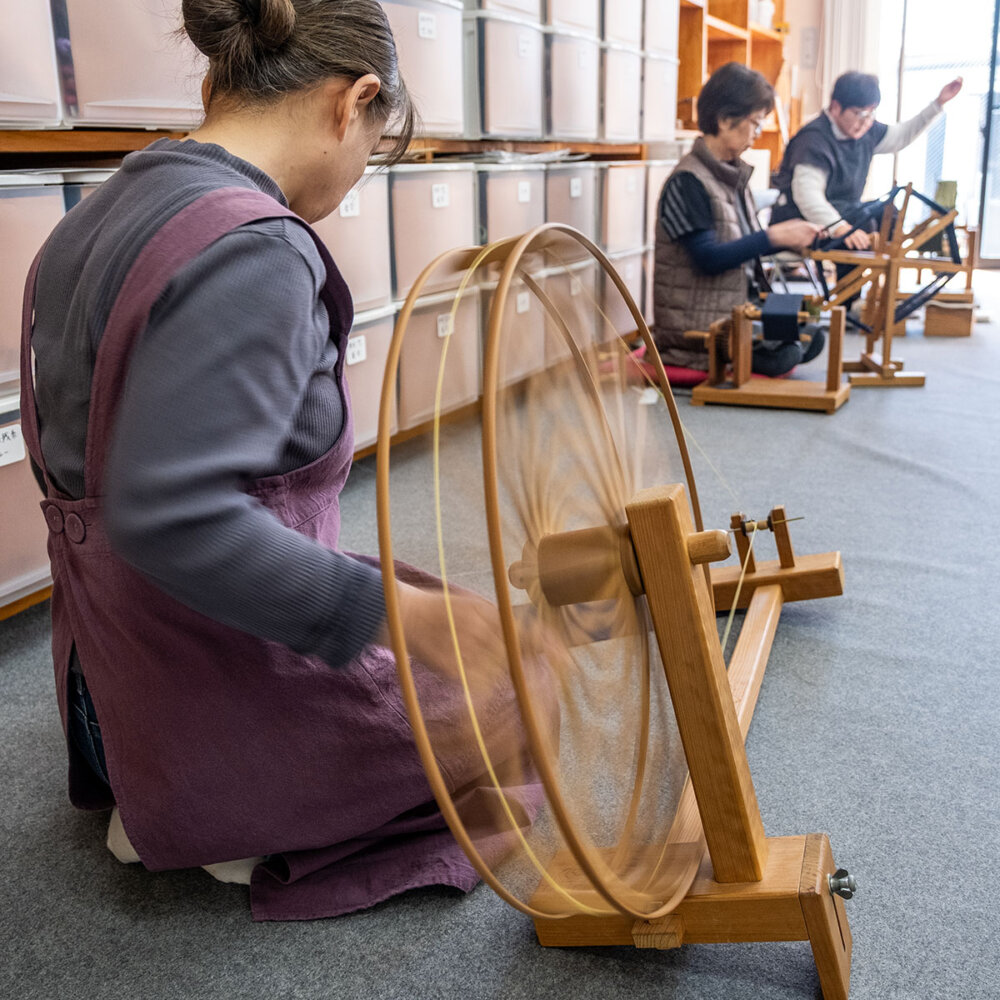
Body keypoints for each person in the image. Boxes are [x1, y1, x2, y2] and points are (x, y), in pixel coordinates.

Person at [21, 0, 532, 921]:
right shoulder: (255, 248)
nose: (356, 177)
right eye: (373, 148)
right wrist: (393, 618)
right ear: (355, 101)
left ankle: (181, 785)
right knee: (523, 711)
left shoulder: (102, 211)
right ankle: (223, 812)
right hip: (193, 697)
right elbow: (175, 520)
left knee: (443, 608)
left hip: (105, 674)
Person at [652, 62, 823, 375]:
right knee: (789, 351)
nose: (757, 134)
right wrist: (774, 237)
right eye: (755, 123)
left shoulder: (731, 176)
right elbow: (707, 259)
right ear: (725, 120)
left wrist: (793, 238)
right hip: (698, 327)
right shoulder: (687, 181)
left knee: (810, 334)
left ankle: (766, 343)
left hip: (732, 313)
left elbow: (743, 246)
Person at [770, 71, 964, 249]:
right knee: (861, 223)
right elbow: (808, 197)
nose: (866, 121)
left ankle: (881, 285)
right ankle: (848, 288)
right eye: (859, 114)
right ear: (836, 107)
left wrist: (938, 104)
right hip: (801, 218)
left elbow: (901, 136)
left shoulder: (865, 130)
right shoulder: (813, 139)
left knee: (888, 213)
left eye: (871, 113)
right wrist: (839, 227)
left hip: (844, 211)